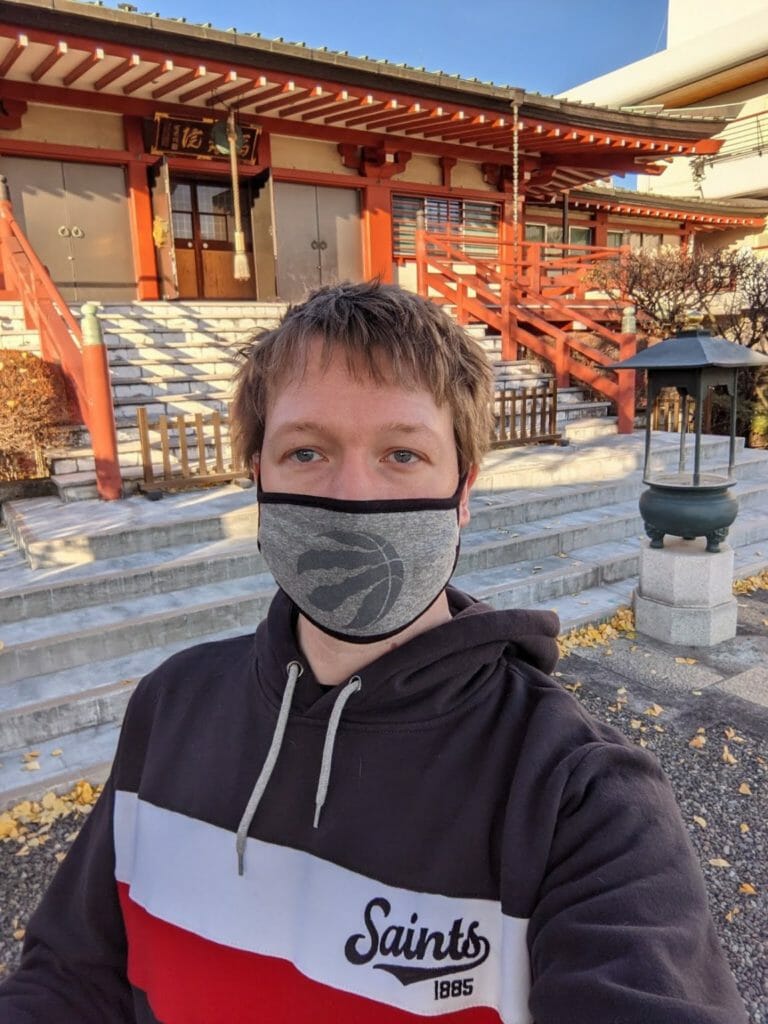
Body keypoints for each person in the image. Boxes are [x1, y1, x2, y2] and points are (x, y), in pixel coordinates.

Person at [0, 281, 746, 1024]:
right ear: (257, 478)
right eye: (305, 451)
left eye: (401, 453)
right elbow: (71, 979)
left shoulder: (577, 798)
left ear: (463, 490)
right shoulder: (171, 708)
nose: (354, 496)